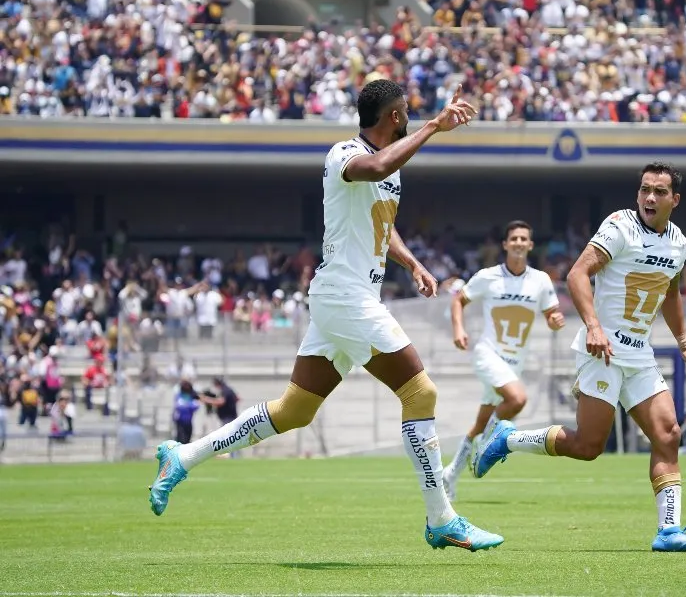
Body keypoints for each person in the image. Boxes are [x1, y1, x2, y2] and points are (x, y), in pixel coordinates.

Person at [148, 80, 503, 552]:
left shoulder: (388, 169)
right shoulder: (344, 154)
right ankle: (441, 518)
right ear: (394, 116)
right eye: (407, 112)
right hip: (345, 296)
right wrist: (437, 126)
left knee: (294, 409)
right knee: (421, 392)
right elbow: (376, 166)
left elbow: (382, 224)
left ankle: (183, 455)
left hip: (346, 299)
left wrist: (413, 263)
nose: (413, 117)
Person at [471, 161, 686, 552]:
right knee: (588, 446)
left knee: (668, 434)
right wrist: (595, 327)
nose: (650, 197)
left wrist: (684, 343)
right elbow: (578, 274)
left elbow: (670, 293)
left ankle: (668, 531)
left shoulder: (678, 243)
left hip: (639, 355)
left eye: (660, 192)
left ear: (675, 199)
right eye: (644, 189)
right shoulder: (620, 226)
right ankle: (509, 438)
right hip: (601, 350)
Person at [442, 220, 565, 501]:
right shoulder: (488, 276)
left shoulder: (541, 280)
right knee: (518, 399)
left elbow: (552, 315)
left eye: (524, 238)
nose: (519, 243)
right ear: (505, 245)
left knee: (481, 422)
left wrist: (556, 322)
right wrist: (458, 329)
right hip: (488, 354)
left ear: (530, 245)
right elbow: (459, 300)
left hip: (515, 362)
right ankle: (488, 446)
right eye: (514, 238)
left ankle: (449, 474)